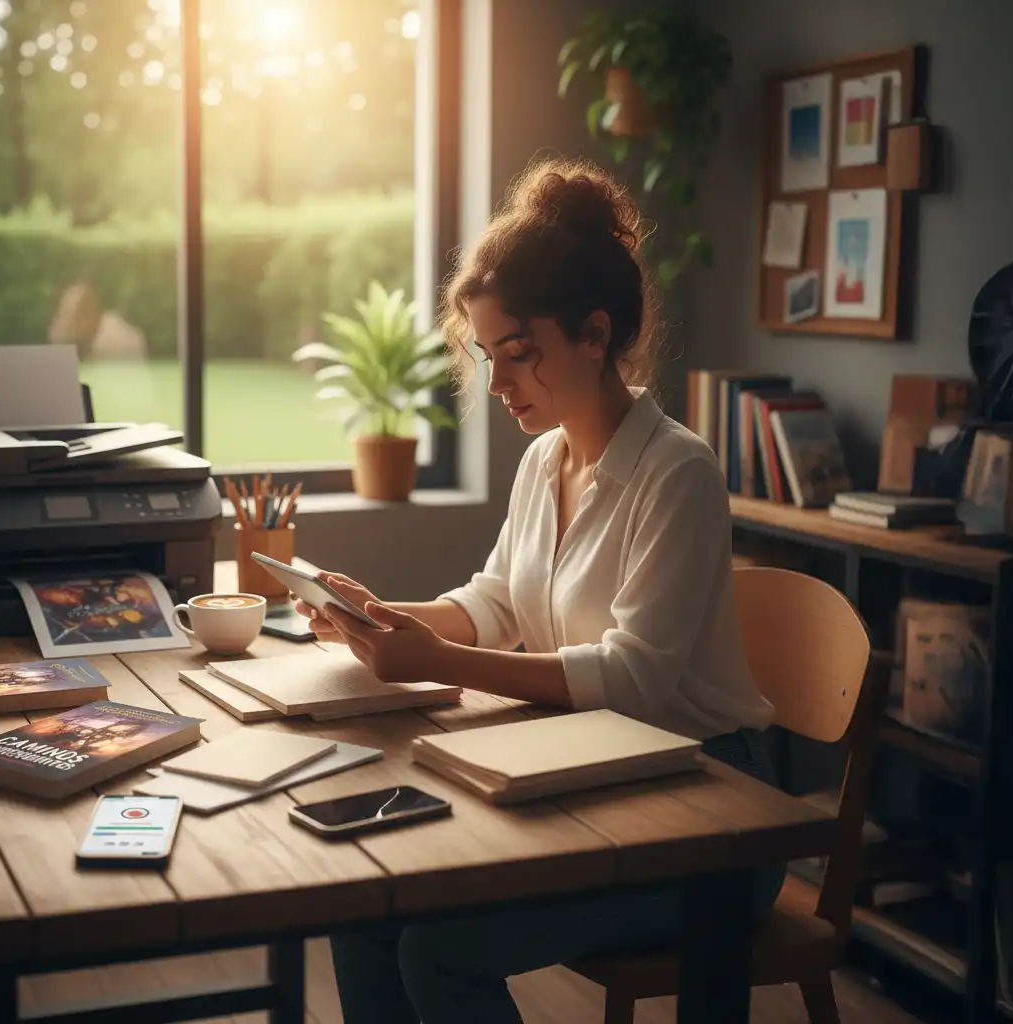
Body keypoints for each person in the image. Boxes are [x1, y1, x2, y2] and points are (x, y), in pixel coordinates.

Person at [294, 156, 785, 1024]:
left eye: (517, 354)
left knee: (437, 950)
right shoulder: (544, 458)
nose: (495, 383)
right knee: (364, 909)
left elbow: (633, 679)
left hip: (710, 813)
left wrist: (438, 658)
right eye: (486, 356)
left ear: (595, 335)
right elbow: (499, 605)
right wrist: (377, 615)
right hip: (602, 771)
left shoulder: (679, 472)